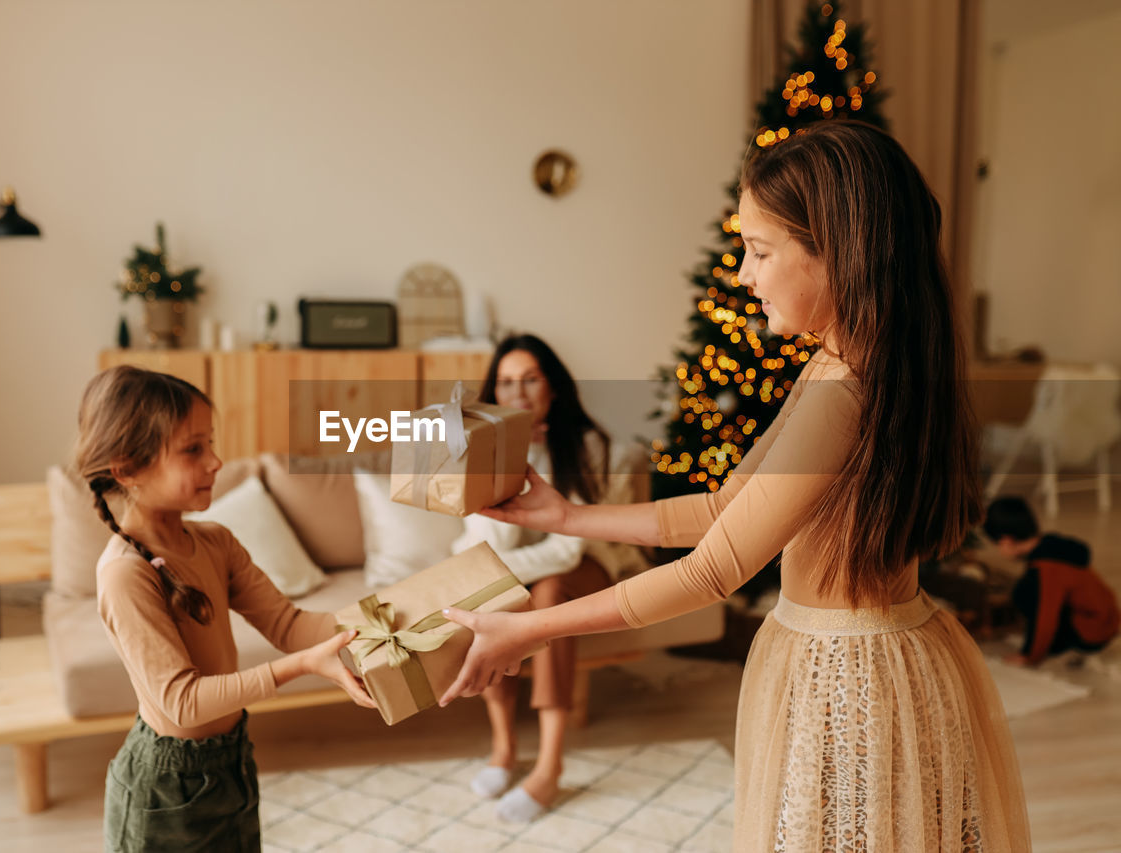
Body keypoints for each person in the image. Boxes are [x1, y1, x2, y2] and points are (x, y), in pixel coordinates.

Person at [437, 120, 1032, 850]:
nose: (745, 275)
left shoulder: (844, 392)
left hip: (850, 681)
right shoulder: (837, 365)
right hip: (876, 657)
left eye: (759, 251)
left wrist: (529, 627)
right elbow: (724, 509)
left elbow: (716, 567)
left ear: (837, 251)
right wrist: (568, 515)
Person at [75, 365, 375, 853]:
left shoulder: (215, 543)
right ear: (128, 469)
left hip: (230, 761)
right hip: (165, 791)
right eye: (193, 449)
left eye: (210, 443)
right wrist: (300, 668)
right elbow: (183, 702)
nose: (216, 461)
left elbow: (289, 623)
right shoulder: (125, 574)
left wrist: (384, 622)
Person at [452, 334, 624, 822]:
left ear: (552, 387)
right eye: (506, 383)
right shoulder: (479, 447)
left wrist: (498, 576)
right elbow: (487, 543)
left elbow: (568, 549)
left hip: (586, 565)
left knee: (548, 595)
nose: (518, 393)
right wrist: (502, 456)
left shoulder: (588, 444)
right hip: (520, 568)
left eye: (530, 379)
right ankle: (504, 749)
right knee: (493, 604)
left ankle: (549, 766)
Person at [984, 495, 1119, 666]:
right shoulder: (1052, 546)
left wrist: (1029, 656)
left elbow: (1045, 617)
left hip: (1092, 632)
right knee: (1026, 591)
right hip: (1107, 621)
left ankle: (1064, 646)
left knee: (1024, 594)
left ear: (1006, 541)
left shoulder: (1046, 570)